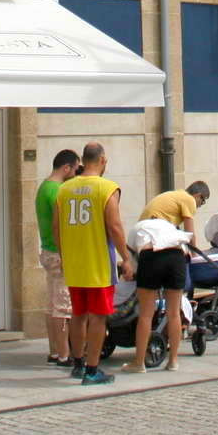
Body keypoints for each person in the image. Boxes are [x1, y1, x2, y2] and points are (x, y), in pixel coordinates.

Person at [53, 141, 132, 386]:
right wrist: (126, 258)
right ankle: (92, 369)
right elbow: (114, 226)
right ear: (102, 160)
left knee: (78, 314)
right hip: (97, 263)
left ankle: (77, 363)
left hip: (74, 262)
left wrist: (64, 256)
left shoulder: (64, 190)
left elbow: (57, 228)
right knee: (98, 317)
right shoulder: (107, 188)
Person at [124, 181, 211, 374]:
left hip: (151, 254)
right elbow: (190, 233)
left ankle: (139, 363)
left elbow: (130, 251)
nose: (199, 205)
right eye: (202, 202)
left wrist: (129, 268)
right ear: (197, 195)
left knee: (146, 314)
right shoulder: (187, 199)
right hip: (176, 256)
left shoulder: (144, 222)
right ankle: (173, 361)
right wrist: (194, 252)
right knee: (173, 312)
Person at [34, 149, 80, 367]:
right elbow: (61, 223)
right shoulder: (57, 191)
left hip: (47, 250)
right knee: (64, 307)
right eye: (75, 168)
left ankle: (54, 351)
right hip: (59, 252)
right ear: (66, 168)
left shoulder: (44, 187)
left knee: (52, 304)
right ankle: (64, 354)